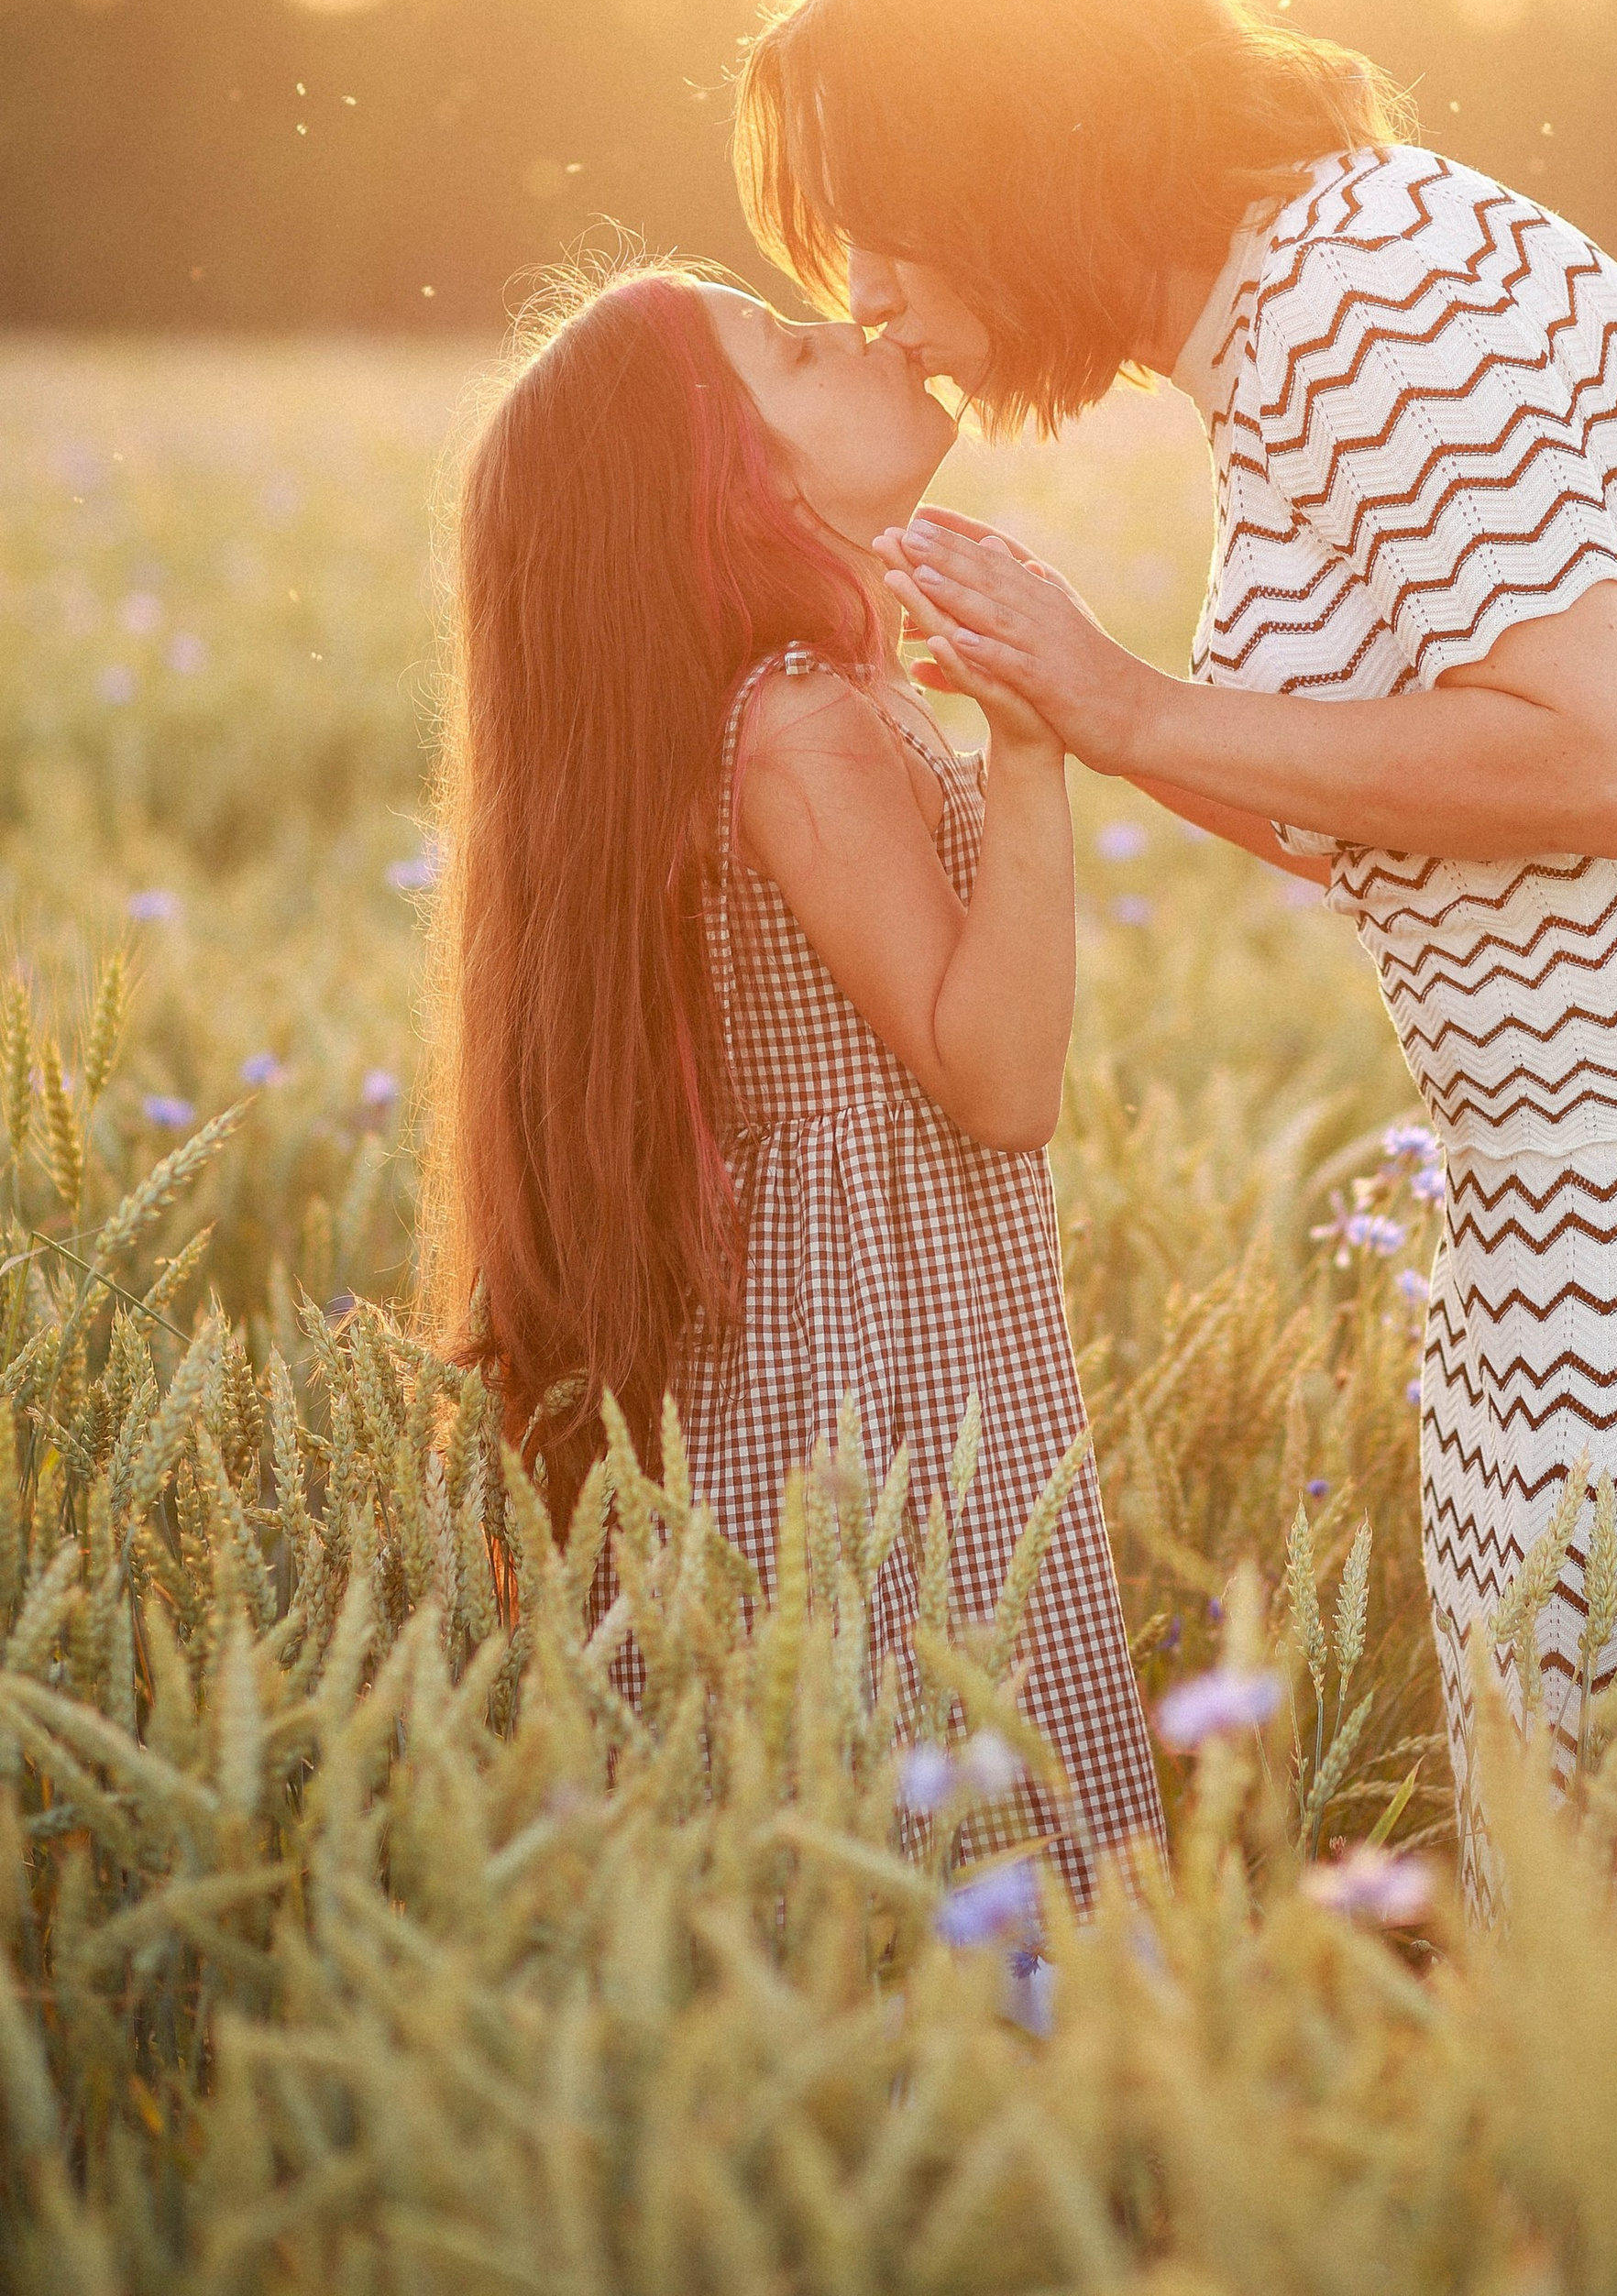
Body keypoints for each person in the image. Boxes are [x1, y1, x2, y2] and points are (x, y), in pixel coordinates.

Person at [733, 0, 1617, 1864]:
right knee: (1580, 1926)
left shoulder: (1373, 283)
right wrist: (1053, 710)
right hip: (1563, 1200)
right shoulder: (1284, 319)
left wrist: (1120, 701)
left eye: (877, 216)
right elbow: (1344, 807)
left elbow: (1577, 764)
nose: (861, 290)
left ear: (1011, 155)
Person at [415, 258, 1165, 1897]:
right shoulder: (801, 718)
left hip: (825, 1343)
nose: (858, 330)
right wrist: (1035, 756)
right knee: (937, 1843)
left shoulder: (796, 701)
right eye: (791, 345)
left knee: (833, 1863)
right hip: (877, 1384)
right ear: (731, 476)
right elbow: (1001, 1081)